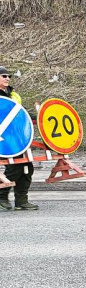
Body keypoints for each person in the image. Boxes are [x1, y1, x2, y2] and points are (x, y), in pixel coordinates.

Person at [0, 66, 38, 211]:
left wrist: (39, 118)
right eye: (4, 76)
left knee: (27, 167)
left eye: (9, 76)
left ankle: (22, 200)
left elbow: (22, 113)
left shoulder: (14, 95)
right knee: (14, 167)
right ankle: (2, 198)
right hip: (3, 140)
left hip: (17, 138)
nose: (7, 78)